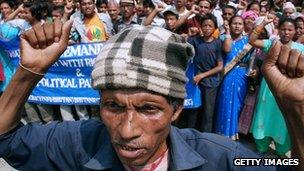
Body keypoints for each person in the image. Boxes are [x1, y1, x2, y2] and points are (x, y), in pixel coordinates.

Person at [0, 22, 303, 170]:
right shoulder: (78, 142)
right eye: (113, 106)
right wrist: (29, 71)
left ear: (175, 110)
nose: (127, 130)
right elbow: (6, 140)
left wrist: (297, 109)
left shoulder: (220, 157)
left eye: (148, 109)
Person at [249, 17, 304, 156]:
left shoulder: (301, 49)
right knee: (264, 116)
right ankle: (261, 148)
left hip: (289, 90)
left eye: (290, 30)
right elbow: (252, 41)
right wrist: (263, 23)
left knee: (283, 118)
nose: (286, 32)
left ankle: (281, 151)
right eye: (283, 29)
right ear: (278, 30)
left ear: (295, 31)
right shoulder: (272, 44)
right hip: (268, 89)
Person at [215, 16, 254, 140]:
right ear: (229, 25)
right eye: (234, 23)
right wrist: (227, 33)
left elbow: (253, 61)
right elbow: (226, 50)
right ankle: (223, 132)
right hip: (227, 74)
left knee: (238, 104)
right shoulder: (222, 38)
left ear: (243, 26)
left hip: (242, 75)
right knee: (225, 102)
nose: (237, 26)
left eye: (240, 23)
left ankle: (234, 132)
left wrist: (254, 71)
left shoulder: (248, 41)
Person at [188, 13, 223, 132]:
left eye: (210, 26)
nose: (207, 28)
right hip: (196, 82)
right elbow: (185, 49)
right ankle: (191, 134)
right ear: (200, 27)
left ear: (215, 28)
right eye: (204, 25)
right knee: (194, 110)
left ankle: (206, 137)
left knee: (208, 112)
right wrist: (190, 35)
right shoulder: (195, 41)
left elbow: (219, 66)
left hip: (211, 83)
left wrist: (202, 75)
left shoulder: (218, 43)